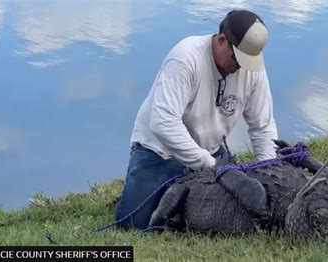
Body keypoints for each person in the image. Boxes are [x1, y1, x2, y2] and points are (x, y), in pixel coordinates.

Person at [115, 9, 278, 229]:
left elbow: (263, 127)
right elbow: (163, 122)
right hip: (160, 153)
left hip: (211, 154)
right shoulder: (185, 58)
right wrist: (209, 165)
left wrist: (266, 171)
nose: (240, 67)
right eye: (237, 59)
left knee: (244, 214)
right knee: (134, 224)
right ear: (221, 40)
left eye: (247, 62)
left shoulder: (252, 68)